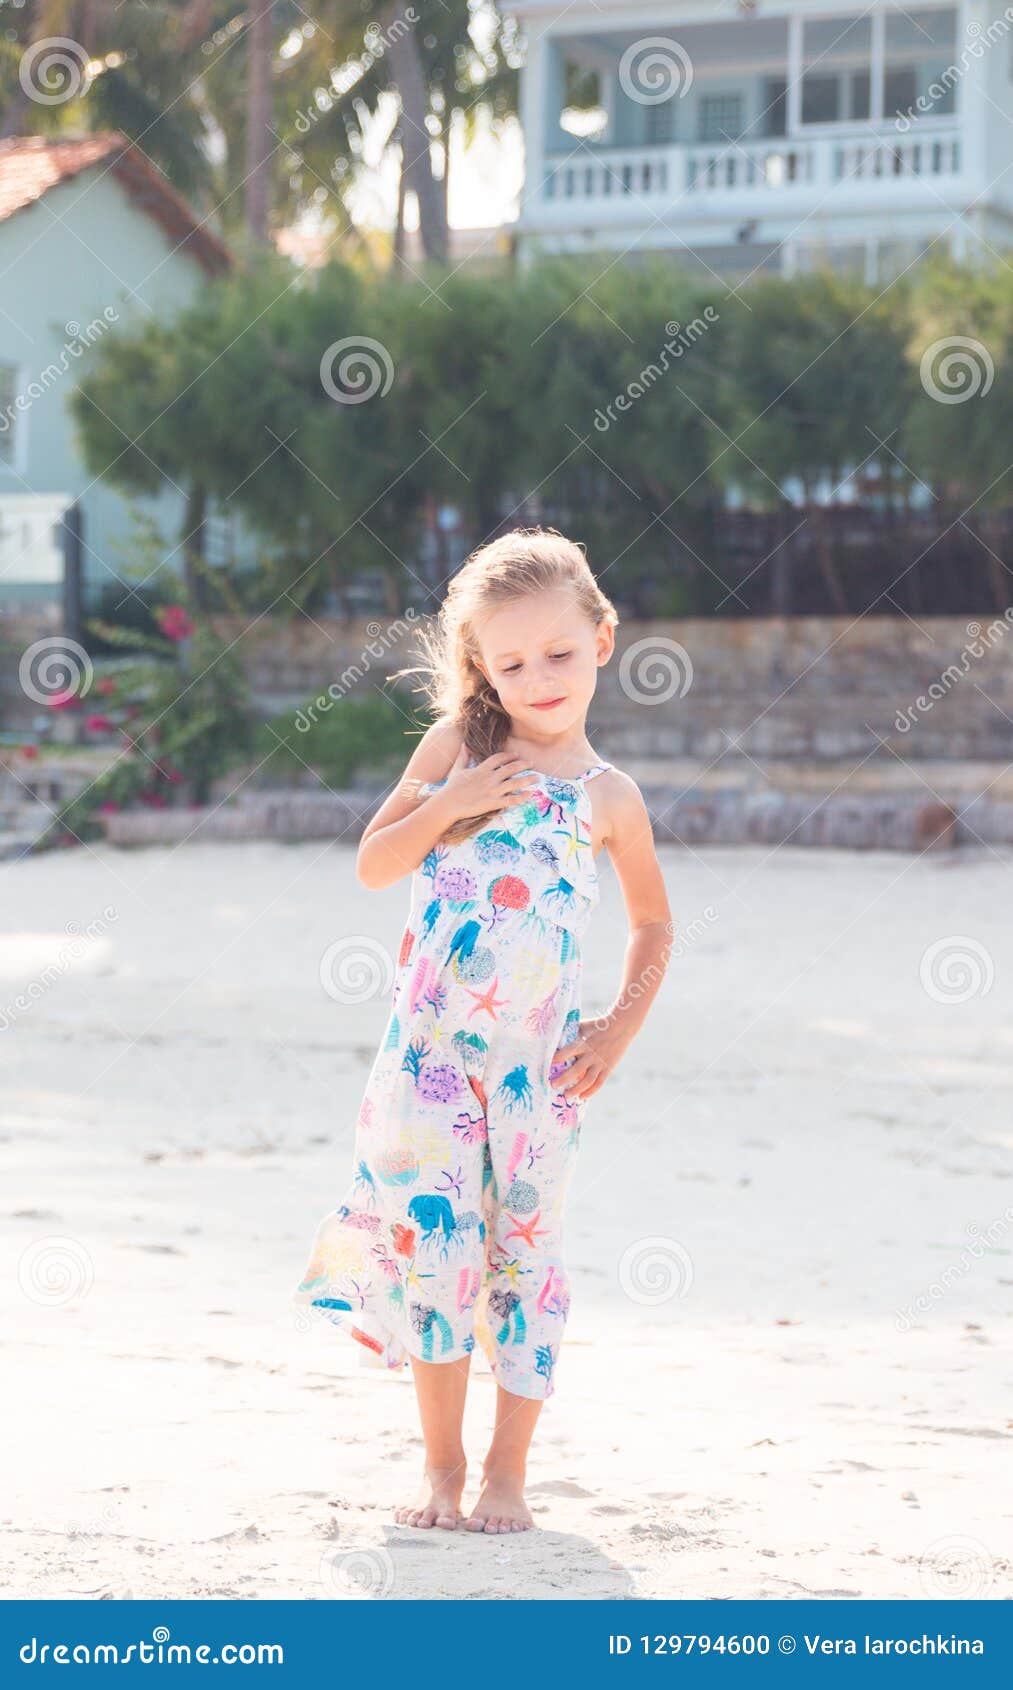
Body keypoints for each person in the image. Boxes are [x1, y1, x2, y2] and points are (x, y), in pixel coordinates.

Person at [293, 528, 673, 1534]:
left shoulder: (608, 798)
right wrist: (452, 800)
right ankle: (441, 1466)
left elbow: (651, 923)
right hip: (427, 1067)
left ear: (600, 639)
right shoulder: (457, 749)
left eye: (557, 653)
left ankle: (507, 1469)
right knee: (438, 1257)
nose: (537, 679)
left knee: (524, 1255)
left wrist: (618, 1030)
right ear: (479, 668)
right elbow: (376, 863)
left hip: (538, 1078)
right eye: (509, 663)